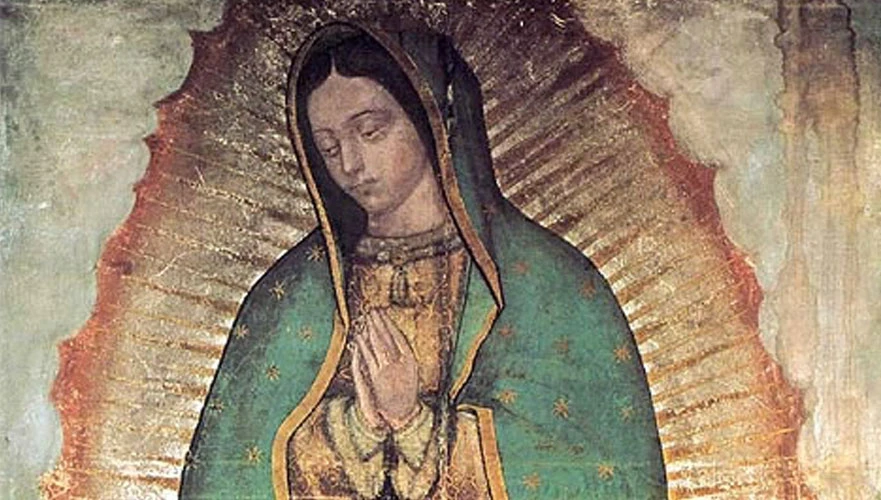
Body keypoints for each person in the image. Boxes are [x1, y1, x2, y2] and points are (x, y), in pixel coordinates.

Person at [180, 22, 667, 499]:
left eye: (370, 131)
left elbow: (605, 475)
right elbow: (233, 469)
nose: (349, 164)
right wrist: (356, 428)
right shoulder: (291, 296)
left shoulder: (548, 282)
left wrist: (414, 422)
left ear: (432, 118)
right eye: (328, 147)